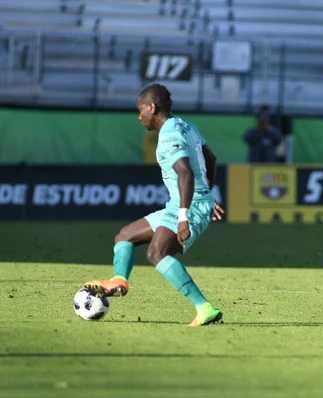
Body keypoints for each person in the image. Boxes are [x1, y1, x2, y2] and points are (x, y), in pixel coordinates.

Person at [83, 83, 225, 327]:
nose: (139, 118)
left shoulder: (169, 135)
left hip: (186, 207)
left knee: (156, 253)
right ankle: (119, 280)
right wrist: (206, 194)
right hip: (186, 203)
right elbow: (210, 157)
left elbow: (185, 174)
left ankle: (204, 308)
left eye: (141, 111)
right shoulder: (185, 126)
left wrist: (184, 216)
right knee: (125, 236)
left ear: (151, 107)